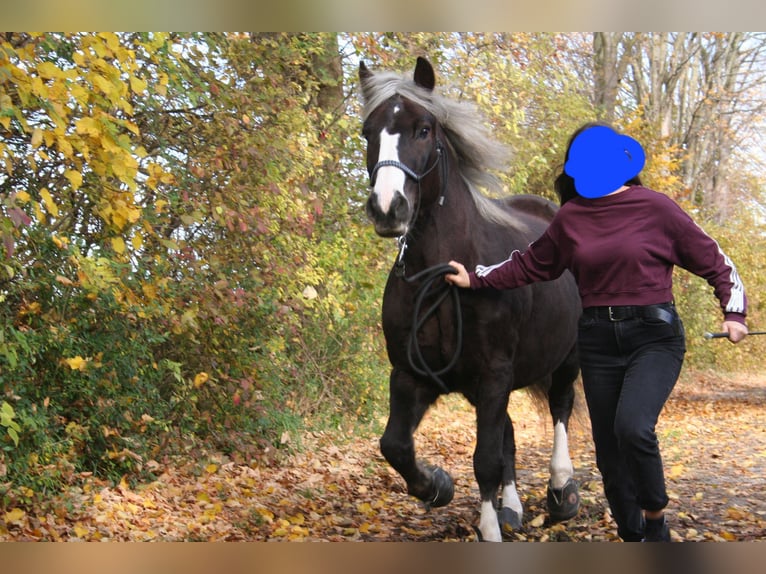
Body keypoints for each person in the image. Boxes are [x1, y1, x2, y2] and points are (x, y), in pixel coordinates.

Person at [445, 122, 748, 542]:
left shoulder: (656, 209)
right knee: (607, 452)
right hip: (598, 341)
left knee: (633, 427)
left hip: (653, 337)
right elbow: (529, 264)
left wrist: (734, 312)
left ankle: (655, 520)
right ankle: (632, 534)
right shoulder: (572, 219)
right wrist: (475, 279)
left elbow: (716, 261)